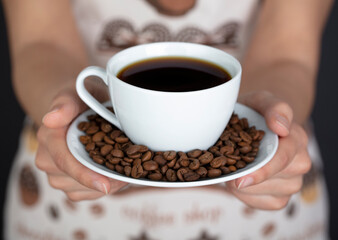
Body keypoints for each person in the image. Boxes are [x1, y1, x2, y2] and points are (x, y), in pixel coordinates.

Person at [3, 0, 332, 239]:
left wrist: (274, 124)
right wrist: (63, 108)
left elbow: (287, 52)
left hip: (259, 217)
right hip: (71, 211)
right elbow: (40, 41)